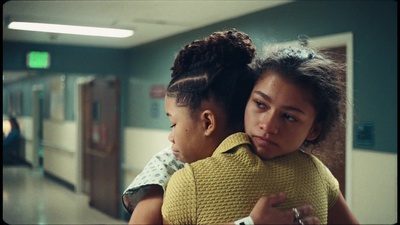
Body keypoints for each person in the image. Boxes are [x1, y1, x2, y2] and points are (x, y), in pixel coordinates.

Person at [123, 29, 319, 225]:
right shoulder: (170, 162)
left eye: (174, 124)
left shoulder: (282, 157)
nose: (268, 125)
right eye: (261, 104)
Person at [161, 45, 359, 224]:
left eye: (289, 117)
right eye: (261, 104)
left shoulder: (319, 175)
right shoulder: (187, 181)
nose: (268, 125)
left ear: (314, 129)